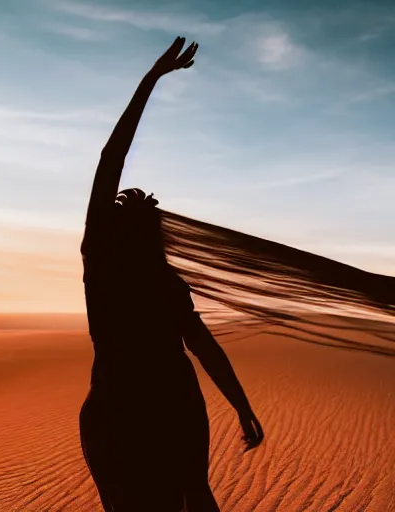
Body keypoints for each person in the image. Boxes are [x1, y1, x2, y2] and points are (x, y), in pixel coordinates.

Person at [79, 36, 263, 512]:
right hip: (167, 409)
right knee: (194, 498)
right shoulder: (164, 285)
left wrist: (152, 79)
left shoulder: (101, 268)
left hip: (117, 413)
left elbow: (108, 161)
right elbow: (205, 348)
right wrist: (241, 406)